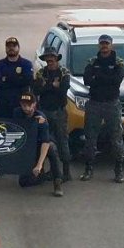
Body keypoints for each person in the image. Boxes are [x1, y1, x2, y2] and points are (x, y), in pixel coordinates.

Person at [81, 34, 124, 183]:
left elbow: (116, 81)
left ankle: (118, 171)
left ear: (111, 45)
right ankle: (88, 169)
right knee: (90, 137)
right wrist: (106, 78)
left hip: (111, 104)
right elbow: (87, 80)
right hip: (94, 103)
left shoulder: (119, 62)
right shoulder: (92, 62)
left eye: (107, 43)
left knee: (116, 138)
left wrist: (98, 78)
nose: (104, 46)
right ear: (98, 45)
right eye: (102, 44)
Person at [32, 47, 72, 181]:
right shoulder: (41, 73)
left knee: (62, 140)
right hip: (43, 111)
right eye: (47, 58)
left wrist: (46, 87)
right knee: (43, 140)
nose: (50, 60)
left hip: (59, 112)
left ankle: (66, 172)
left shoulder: (64, 72)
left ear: (56, 58)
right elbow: (36, 90)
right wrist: (52, 85)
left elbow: (63, 89)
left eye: (52, 57)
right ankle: (42, 170)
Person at [13, 92, 63, 197]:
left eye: (28, 105)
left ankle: (57, 181)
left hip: (41, 144)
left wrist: (39, 165)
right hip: (27, 145)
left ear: (34, 104)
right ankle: (42, 176)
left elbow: (45, 142)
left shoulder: (41, 118)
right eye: (23, 105)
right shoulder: (17, 113)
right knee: (23, 182)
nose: (25, 108)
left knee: (52, 149)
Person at [0, 36, 34, 118]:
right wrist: (18, 79)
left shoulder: (26, 64)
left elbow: (28, 81)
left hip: (21, 106)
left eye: (14, 46)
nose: (11, 48)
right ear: (5, 48)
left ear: (18, 48)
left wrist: (6, 79)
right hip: (2, 106)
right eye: (8, 46)